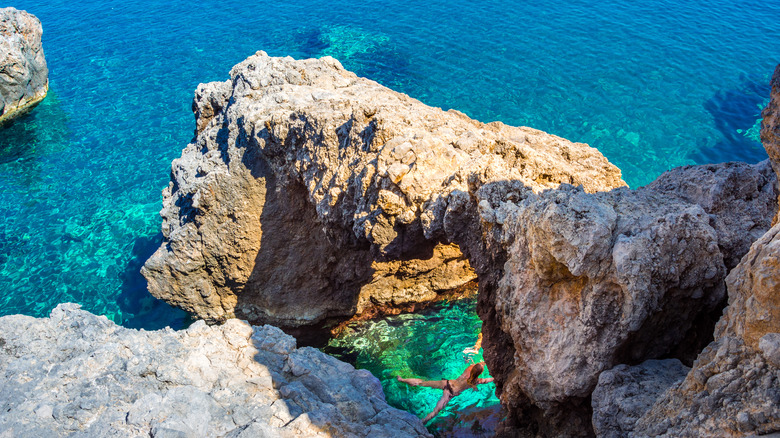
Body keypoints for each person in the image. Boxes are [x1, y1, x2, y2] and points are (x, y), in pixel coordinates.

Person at [397, 335, 493, 423]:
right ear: (480, 373)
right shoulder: (477, 381)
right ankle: (422, 421)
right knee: (436, 411)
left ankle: (402, 380)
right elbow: (490, 379)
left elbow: (478, 365)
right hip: (450, 393)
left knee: (423, 383)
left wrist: (482, 362)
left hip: (447, 383)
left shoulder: (469, 368)